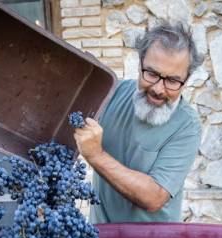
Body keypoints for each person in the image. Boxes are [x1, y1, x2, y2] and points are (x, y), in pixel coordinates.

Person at [73, 21, 203, 223]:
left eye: (172, 81)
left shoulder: (187, 126)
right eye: (151, 73)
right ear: (140, 63)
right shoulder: (113, 94)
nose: (159, 89)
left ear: (186, 80)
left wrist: (96, 155)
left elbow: (154, 197)